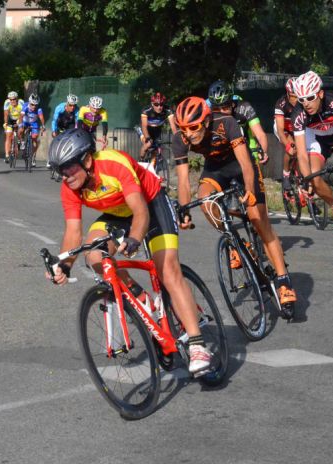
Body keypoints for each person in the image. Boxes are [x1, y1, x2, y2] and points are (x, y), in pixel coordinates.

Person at [47, 128, 212, 374]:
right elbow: (73, 232)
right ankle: (142, 299)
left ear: (87, 160)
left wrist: (135, 238)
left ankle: (197, 344)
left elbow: (140, 211)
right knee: (94, 255)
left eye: (68, 168)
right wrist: (64, 264)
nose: (64, 176)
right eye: (60, 170)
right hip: (117, 214)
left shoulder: (114, 165)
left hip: (151, 204)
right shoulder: (69, 187)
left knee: (167, 269)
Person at [172, 96, 297, 307]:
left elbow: (246, 163)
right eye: (183, 128)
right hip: (215, 169)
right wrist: (184, 211)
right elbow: (183, 180)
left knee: (258, 219)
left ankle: (284, 281)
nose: (189, 133)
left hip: (240, 165)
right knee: (205, 201)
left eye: (193, 127)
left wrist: (249, 190)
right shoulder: (180, 139)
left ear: (206, 121)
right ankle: (236, 243)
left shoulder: (226, 123)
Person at [291, 70, 333, 231]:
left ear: (321, 94)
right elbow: (302, 154)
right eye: (301, 99)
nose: (306, 103)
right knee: (314, 176)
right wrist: (307, 180)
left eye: (310, 97)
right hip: (317, 138)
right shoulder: (298, 114)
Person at [207, 80, 269, 167]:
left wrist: (263, 152)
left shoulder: (244, 108)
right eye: (216, 109)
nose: (221, 112)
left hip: (246, 146)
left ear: (231, 103)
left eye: (225, 107)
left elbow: (260, 134)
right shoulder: (207, 110)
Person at [274, 78, 298, 191]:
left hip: (296, 127)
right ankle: (286, 175)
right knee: (291, 147)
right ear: (288, 93)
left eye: (298, 96)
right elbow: (280, 129)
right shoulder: (281, 103)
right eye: (293, 96)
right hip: (283, 128)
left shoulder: (304, 102)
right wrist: (288, 146)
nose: (296, 100)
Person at [138, 92, 177, 161]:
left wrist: (177, 138)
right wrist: (148, 138)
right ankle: (141, 160)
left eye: (161, 104)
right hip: (145, 129)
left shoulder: (168, 110)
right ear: (152, 104)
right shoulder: (146, 111)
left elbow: (173, 126)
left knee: (156, 149)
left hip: (157, 129)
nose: (159, 107)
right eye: (156, 104)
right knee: (148, 144)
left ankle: (152, 166)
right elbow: (144, 127)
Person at [18, 93, 46, 167]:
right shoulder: (25, 106)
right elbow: (21, 117)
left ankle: (33, 156)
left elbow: (41, 118)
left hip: (34, 123)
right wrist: (20, 126)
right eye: (32, 104)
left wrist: (43, 126)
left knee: (35, 137)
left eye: (36, 105)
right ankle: (22, 142)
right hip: (25, 121)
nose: (34, 106)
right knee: (20, 131)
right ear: (29, 102)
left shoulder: (39, 109)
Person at [3, 91, 24, 163]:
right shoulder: (7, 102)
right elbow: (6, 114)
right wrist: (6, 123)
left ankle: (20, 141)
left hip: (20, 118)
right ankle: (7, 155)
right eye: (11, 99)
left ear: (17, 98)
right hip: (11, 119)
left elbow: (23, 114)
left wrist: (19, 123)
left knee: (21, 130)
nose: (12, 101)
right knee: (8, 135)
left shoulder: (21, 102)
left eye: (14, 99)